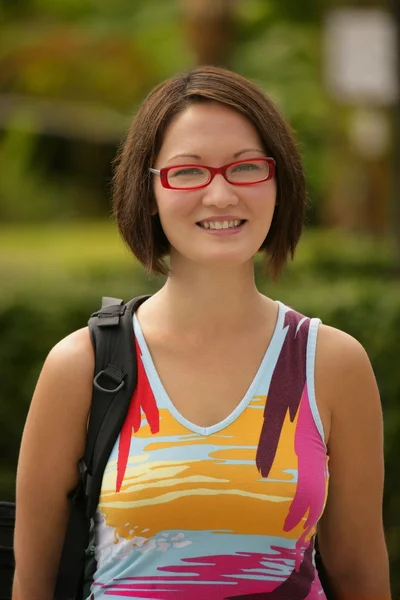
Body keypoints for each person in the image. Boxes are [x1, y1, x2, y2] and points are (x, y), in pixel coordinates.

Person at [13, 66, 391, 600]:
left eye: (245, 168)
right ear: (148, 193)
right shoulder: (82, 366)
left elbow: (359, 575)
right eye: (188, 172)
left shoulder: (331, 362)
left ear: (277, 182)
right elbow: (32, 586)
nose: (220, 196)